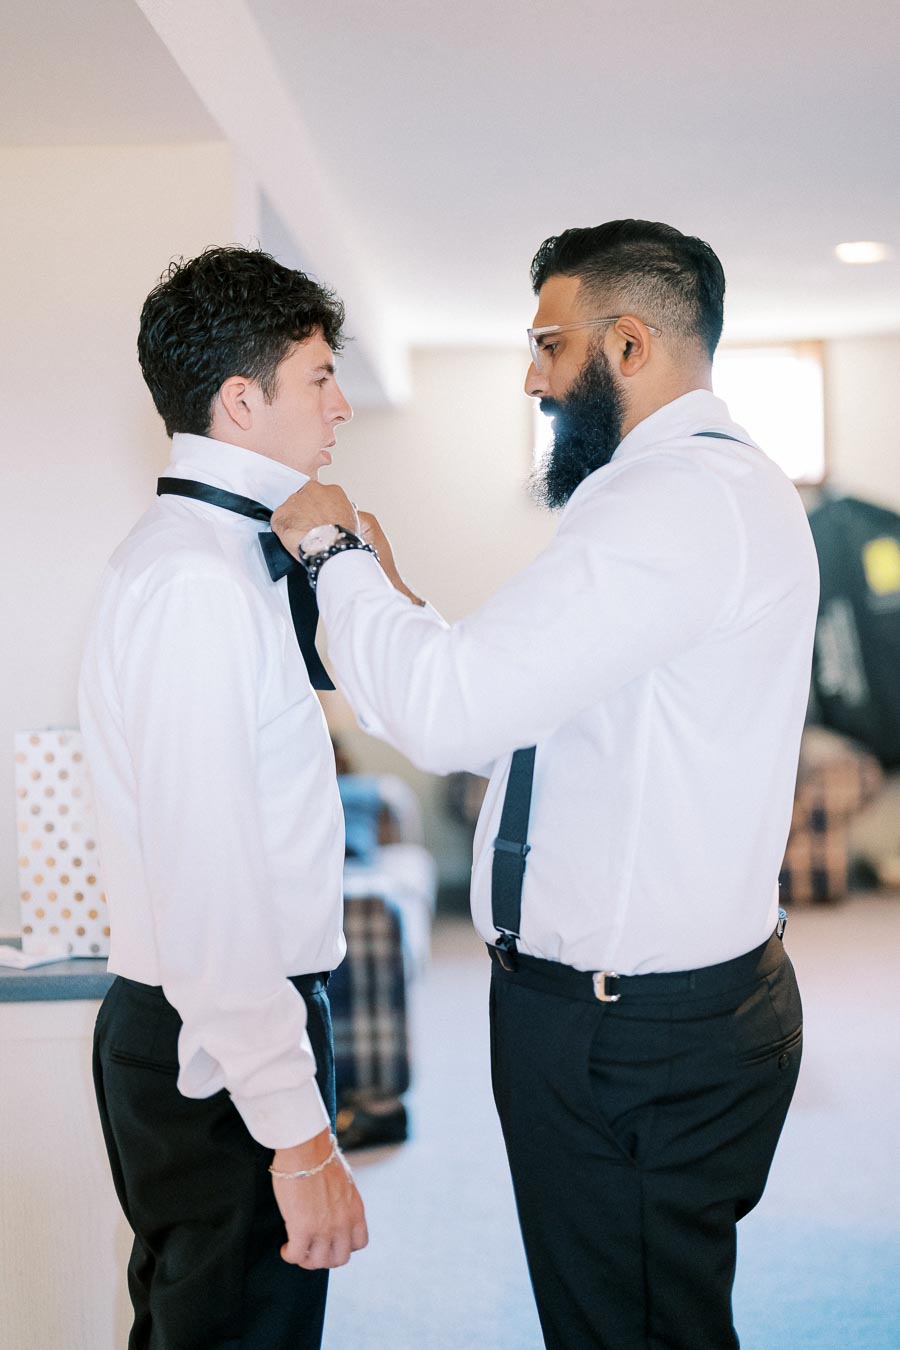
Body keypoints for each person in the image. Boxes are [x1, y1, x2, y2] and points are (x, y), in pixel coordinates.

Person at [269, 220, 820, 1350]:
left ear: (629, 345)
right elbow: (527, 727)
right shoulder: (701, 494)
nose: (533, 378)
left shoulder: (670, 504)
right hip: (667, 1013)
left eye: (549, 345)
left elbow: (455, 710)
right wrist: (397, 617)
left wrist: (333, 557)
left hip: (632, 1039)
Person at [79, 246, 368, 1350]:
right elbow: (209, 883)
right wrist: (297, 1135)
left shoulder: (227, 554)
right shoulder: (196, 581)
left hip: (220, 1025)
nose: (340, 406)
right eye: (319, 378)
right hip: (219, 1037)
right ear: (241, 401)